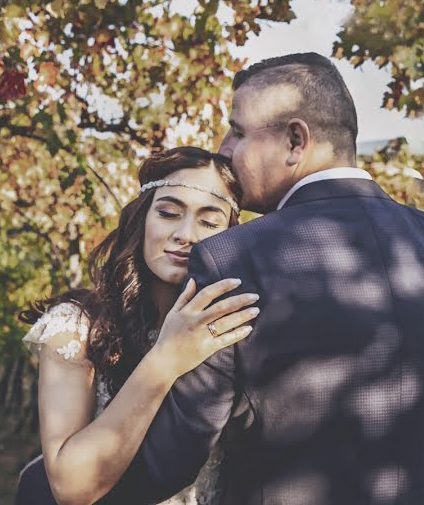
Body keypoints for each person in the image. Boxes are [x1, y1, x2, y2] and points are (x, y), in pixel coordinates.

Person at [91, 52, 424, 504]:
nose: (223, 148)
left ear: (296, 140)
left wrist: (61, 480)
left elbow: (170, 461)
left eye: (237, 131)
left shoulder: (232, 258)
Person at [14, 146, 262, 505]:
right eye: (169, 213)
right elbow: (71, 487)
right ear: (142, 218)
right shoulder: (75, 327)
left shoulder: (235, 327)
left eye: (209, 222)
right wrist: (166, 360)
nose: (186, 234)